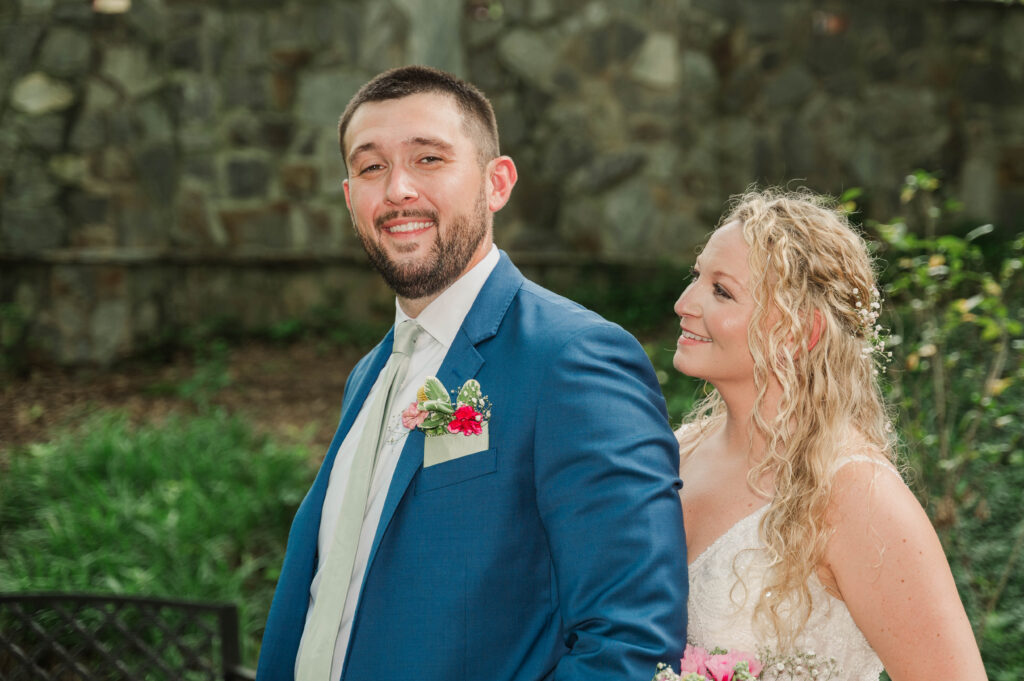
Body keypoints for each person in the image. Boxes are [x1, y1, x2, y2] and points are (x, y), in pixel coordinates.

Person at [256, 65, 687, 681]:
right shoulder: (368, 376)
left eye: (428, 159)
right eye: (371, 166)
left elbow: (630, 639)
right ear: (351, 197)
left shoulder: (575, 359)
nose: (398, 189)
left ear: (497, 183)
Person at [671, 188, 987, 680]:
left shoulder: (856, 494)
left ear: (799, 332)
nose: (682, 304)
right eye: (696, 278)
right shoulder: (676, 453)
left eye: (721, 290)